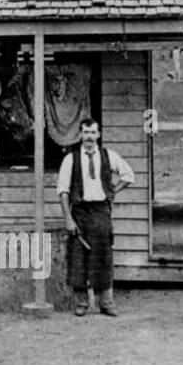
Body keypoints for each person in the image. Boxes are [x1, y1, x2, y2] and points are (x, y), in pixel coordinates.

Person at [58, 118, 136, 317]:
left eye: (93, 133)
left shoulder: (109, 156)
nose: (89, 137)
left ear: (98, 134)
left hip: (101, 211)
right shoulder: (71, 159)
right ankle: (82, 303)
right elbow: (63, 191)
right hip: (80, 212)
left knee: (103, 256)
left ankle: (107, 303)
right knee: (79, 258)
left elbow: (129, 175)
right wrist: (68, 219)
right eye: (85, 133)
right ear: (80, 135)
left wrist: (111, 192)